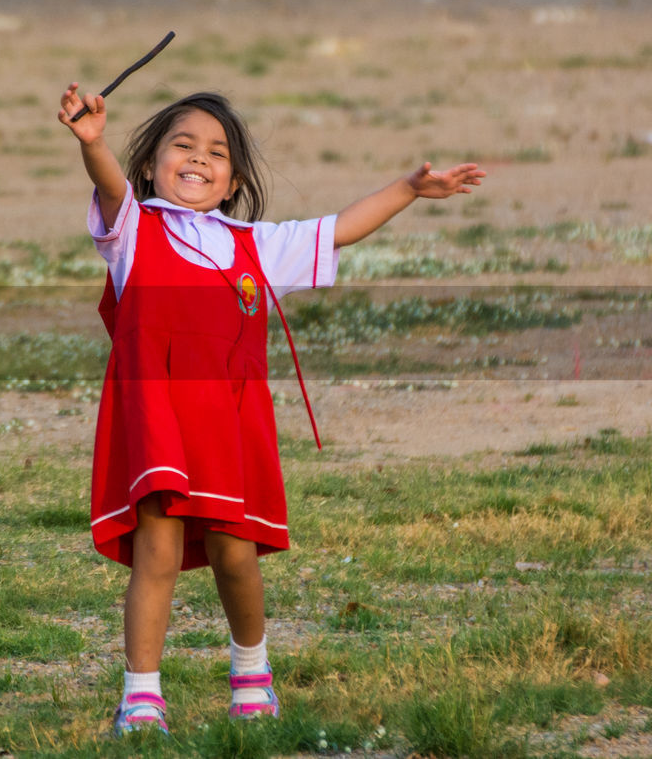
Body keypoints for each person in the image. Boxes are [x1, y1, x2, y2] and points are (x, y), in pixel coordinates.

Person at [57, 84, 484, 736]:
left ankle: (252, 674)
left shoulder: (256, 244)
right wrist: (93, 143)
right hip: (158, 421)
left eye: (217, 153)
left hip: (227, 426)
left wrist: (406, 188)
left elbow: (338, 228)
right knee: (159, 551)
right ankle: (141, 696)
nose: (199, 158)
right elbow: (109, 183)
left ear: (232, 181)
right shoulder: (133, 231)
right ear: (150, 165)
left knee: (235, 553)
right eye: (183, 145)